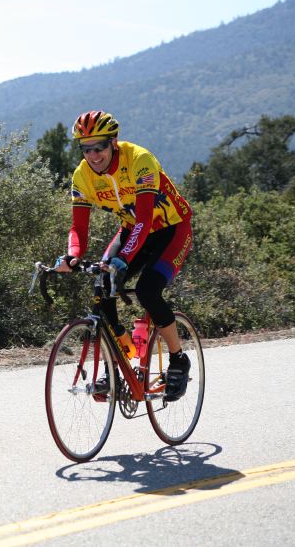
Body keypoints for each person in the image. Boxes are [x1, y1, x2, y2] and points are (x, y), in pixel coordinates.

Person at [54, 110, 194, 401]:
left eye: (99, 146)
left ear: (113, 142)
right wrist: (72, 256)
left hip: (170, 229)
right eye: (86, 148)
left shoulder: (139, 159)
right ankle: (116, 361)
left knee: (148, 290)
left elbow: (144, 217)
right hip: (134, 230)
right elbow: (78, 227)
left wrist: (123, 259)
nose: (93, 155)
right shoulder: (82, 175)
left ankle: (179, 358)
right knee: (102, 288)